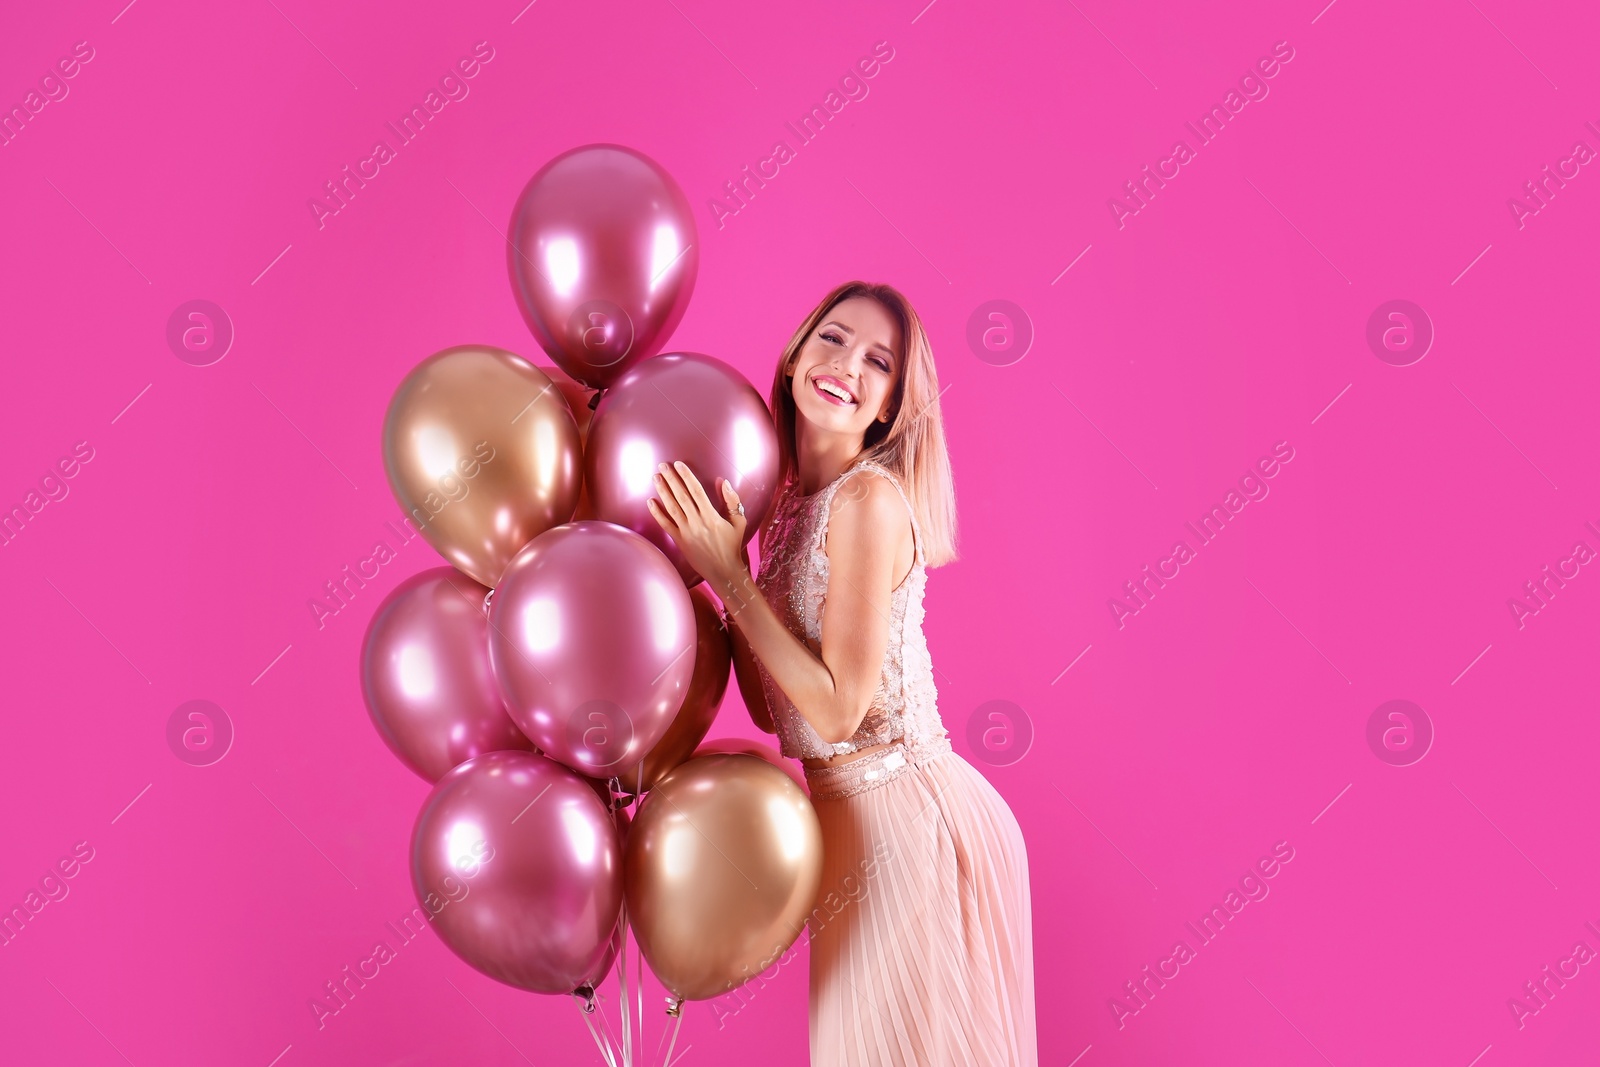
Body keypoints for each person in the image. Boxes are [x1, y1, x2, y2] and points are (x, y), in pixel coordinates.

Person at [647, 280, 1038, 1066]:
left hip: (909, 818)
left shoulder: (868, 500)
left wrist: (729, 578)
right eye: (832, 338)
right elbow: (772, 708)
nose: (846, 364)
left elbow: (835, 712)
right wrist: (720, 576)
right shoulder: (789, 509)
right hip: (846, 827)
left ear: (889, 407)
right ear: (794, 357)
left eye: (877, 360)